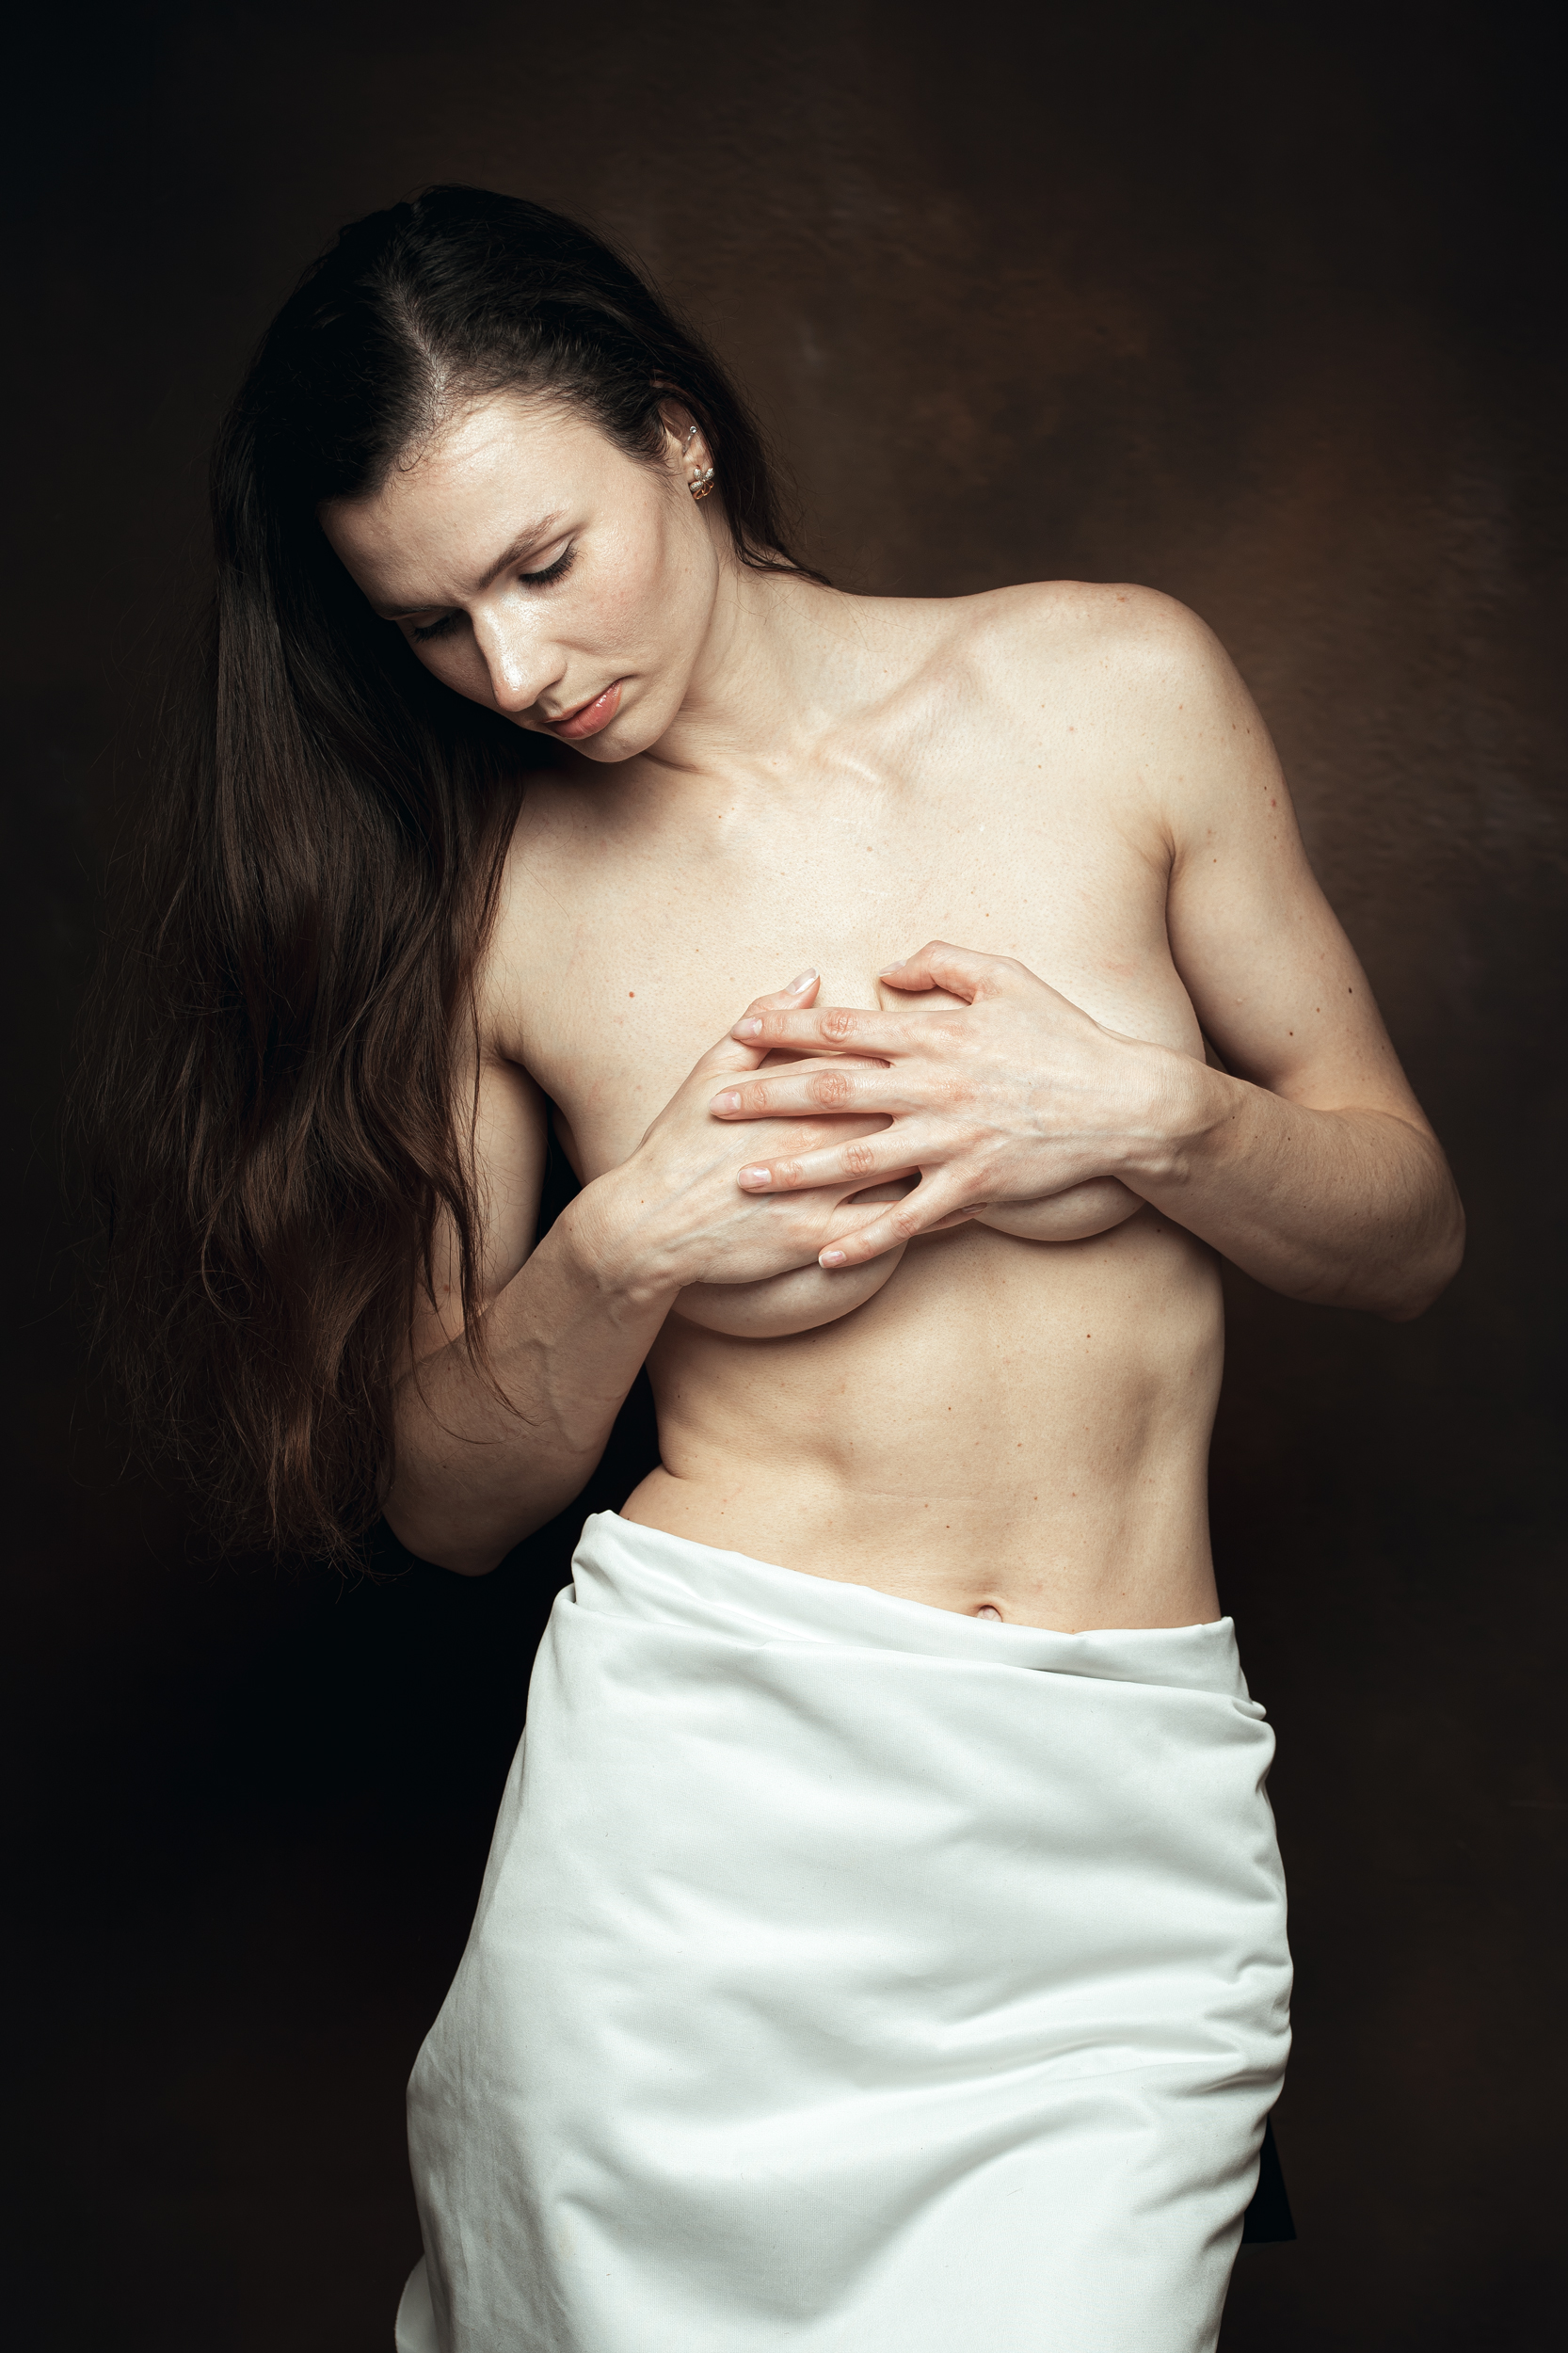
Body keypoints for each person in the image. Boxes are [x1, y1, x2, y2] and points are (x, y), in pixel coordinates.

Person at [94, 186, 1464, 2352]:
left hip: (1113, 1822)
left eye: (541, 563)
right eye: (431, 625)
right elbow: (443, 1503)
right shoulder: (480, 904)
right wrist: (624, 1239)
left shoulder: (1110, 684)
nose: (515, 671)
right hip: (695, 1831)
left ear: (674, 429)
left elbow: (1405, 1231)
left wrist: (1144, 1114)